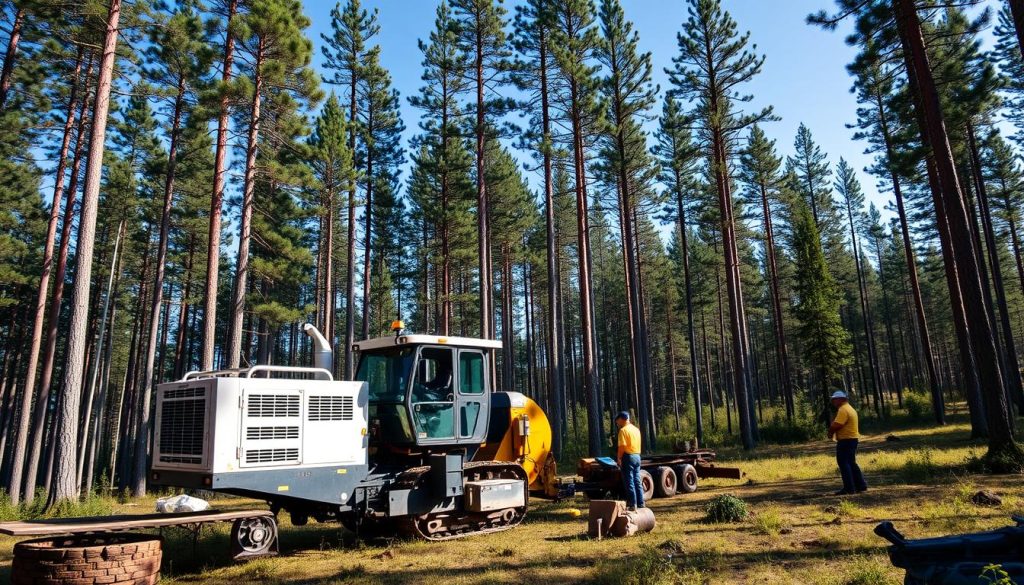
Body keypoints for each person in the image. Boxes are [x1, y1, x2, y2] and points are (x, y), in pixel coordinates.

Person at [827, 390, 867, 495]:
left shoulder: (843, 410)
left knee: (844, 463)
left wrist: (830, 432)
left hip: (846, 440)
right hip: (852, 439)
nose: (833, 401)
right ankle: (861, 485)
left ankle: (849, 488)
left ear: (841, 399)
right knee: (851, 462)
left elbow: (837, 425)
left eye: (834, 399)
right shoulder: (850, 408)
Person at [615, 411, 644, 510]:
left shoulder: (623, 431)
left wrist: (619, 458)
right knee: (637, 481)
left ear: (621, 419)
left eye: (617, 421)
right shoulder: (636, 429)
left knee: (629, 481)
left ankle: (632, 504)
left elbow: (622, 447)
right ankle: (641, 503)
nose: (617, 424)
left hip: (628, 457)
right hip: (637, 456)